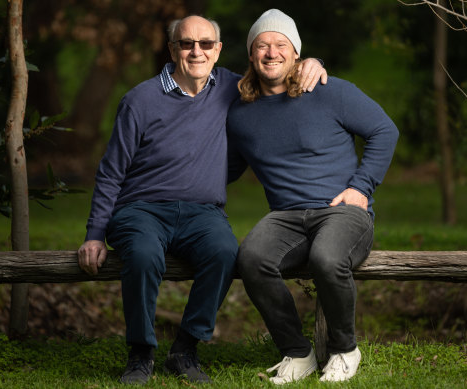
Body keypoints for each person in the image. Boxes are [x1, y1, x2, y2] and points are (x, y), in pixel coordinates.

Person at [77, 14, 327, 385]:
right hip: (141, 209)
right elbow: (111, 171)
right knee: (144, 255)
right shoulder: (140, 100)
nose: (197, 51)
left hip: (202, 212)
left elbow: (275, 65)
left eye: (206, 43)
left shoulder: (232, 87)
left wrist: (312, 62)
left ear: (218, 49)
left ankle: (185, 349)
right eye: (187, 43)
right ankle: (140, 354)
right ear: (172, 49)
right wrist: (95, 233)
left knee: (226, 252)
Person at [226, 9, 399, 385]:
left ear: (296, 54)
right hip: (286, 217)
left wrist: (361, 186)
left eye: (280, 45)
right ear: (251, 55)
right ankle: (297, 352)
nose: (271, 52)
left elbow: (384, 131)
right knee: (251, 258)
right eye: (262, 45)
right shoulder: (240, 113)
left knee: (327, 258)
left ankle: (344, 349)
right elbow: (226, 168)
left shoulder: (329, 90)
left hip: (342, 211)